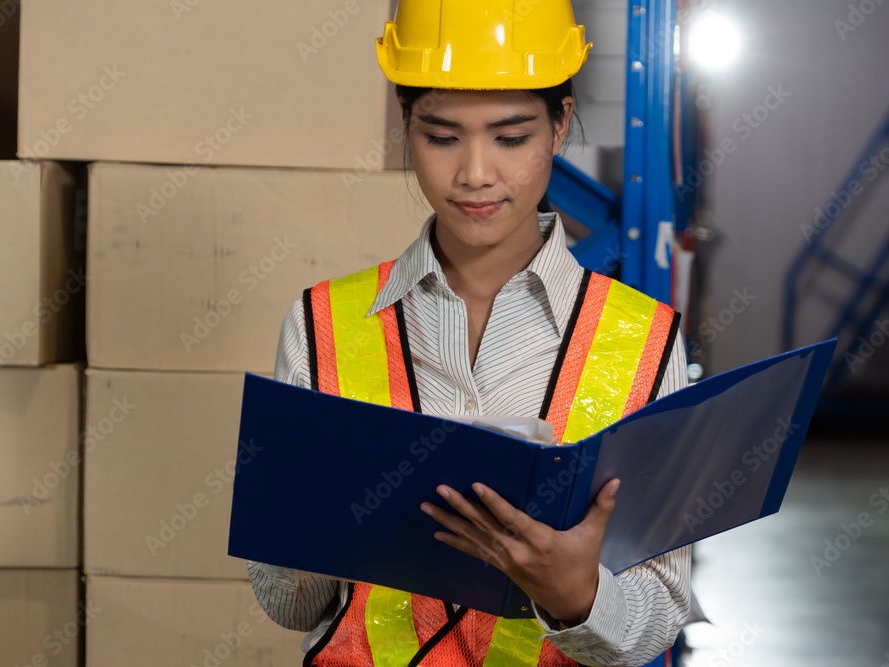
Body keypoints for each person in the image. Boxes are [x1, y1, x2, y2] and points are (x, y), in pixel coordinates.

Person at [247, 1, 691, 665]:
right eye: (442, 135)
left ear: (560, 123)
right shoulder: (322, 326)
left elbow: (660, 610)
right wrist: (309, 528)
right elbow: (288, 606)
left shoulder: (644, 341)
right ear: (406, 125)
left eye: (511, 137)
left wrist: (580, 596)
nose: (475, 173)